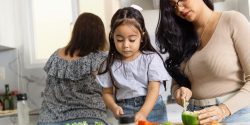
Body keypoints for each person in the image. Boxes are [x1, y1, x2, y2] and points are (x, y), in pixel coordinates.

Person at [156, 0, 250, 124]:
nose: (179, 8)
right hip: (194, 117)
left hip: (234, 115)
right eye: (173, 6)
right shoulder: (181, 36)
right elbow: (176, 84)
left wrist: (223, 110)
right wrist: (179, 92)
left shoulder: (232, 20)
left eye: (181, 0)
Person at [97, 7, 169, 123]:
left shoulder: (151, 58)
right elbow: (107, 93)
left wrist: (143, 113)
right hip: (126, 111)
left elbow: (153, 89)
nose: (125, 45)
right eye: (120, 40)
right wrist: (114, 107)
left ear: (142, 37)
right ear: (112, 37)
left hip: (153, 108)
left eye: (132, 40)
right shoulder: (109, 63)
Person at [37, 13, 109, 125]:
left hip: (51, 119)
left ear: (76, 32)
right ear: (99, 35)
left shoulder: (55, 56)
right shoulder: (100, 58)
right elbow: (109, 92)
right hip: (90, 118)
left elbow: (49, 90)